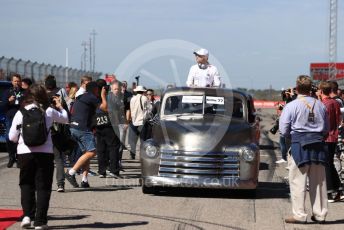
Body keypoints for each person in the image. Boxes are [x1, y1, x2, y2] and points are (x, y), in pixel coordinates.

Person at [9, 84, 69, 229]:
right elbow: (66, 119)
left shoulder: (21, 112)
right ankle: (40, 222)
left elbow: (12, 137)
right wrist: (60, 106)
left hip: (25, 153)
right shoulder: (48, 111)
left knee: (26, 184)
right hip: (45, 153)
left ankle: (27, 216)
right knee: (43, 187)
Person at [279, 75, 328, 224]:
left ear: (297, 88)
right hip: (318, 145)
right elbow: (326, 128)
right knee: (319, 182)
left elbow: (283, 129)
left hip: (299, 145)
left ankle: (300, 215)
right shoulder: (321, 105)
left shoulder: (291, 106)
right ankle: (320, 215)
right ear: (311, 88)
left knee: (297, 182)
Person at [65, 81, 107, 188]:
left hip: (74, 127)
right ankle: (71, 173)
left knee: (86, 154)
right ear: (95, 89)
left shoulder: (82, 96)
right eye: (99, 89)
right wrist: (103, 95)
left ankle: (84, 180)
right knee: (92, 152)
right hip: (82, 129)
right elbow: (105, 108)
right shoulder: (91, 97)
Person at [319, 81, 343, 202]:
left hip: (326, 137)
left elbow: (322, 123)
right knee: (330, 163)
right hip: (334, 136)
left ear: (322, 91)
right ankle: (338, 189)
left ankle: (329, 192)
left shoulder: (323, 104)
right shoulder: (336, 103)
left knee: (326, 165)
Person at [95, 79, 121, 178]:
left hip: (100, 125)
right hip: (109, 126)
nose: (117, 91)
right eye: (115, 89)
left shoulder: (95, 97)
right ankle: (113, 170)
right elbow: (107, 109)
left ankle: (102, 171)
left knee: (102, 149)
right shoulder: (110, 97)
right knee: (112, 148)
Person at [0, 73, 25, 167]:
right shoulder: (7, 92)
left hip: (22, 117)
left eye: (18, 81)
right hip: (10, 117)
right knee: (9, 137)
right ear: (12, 82)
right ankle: (11, 157)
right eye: (15, 81)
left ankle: (19, 158)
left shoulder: (24, 92)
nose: (17, 83)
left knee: (20, 138)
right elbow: (2, 105)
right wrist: (8, 101)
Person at [128, 85, 148, 159]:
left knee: (133, 139)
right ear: (143, 91)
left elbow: (131, 109)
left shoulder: (132, 99)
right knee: (142, 139)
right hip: (142, 121)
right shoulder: (145, 98)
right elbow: (147, 110)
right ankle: (142, 155)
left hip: (133, 121)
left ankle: (132, 154)